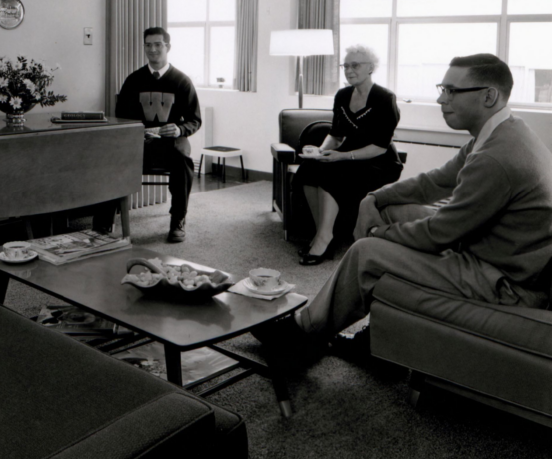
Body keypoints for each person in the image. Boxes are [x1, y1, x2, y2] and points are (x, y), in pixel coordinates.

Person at [256, 53, 552, 368]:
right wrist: (375, 198)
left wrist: (375, 234)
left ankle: (305, 333)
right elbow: (436, 181)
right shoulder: (500, 132)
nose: (441, 98)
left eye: (451, 91)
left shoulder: (497, 157)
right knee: (391, 209)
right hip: (489, 253)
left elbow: (438, 234)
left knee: (366, 252)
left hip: (502, 279)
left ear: (488, 96)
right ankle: (377, 334)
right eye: (442, 88)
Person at [294, 44, 403, 265]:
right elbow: (335, 135)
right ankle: (323, 233)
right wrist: (321, 152)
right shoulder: (342, 95)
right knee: (308, 169)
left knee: (332, 170)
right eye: (346, 65)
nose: (348, 70)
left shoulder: (385, 98)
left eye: (355, 65)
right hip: (348, 155)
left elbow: (380, 147)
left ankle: (324, 238)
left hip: (378, 162)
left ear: (371, 68)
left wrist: (341, 156)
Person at [98, 27, 202, 242]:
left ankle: (178, 221)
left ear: (168, 47)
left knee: (183, 160)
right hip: (139, 143)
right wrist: (138, 132)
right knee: (109, 159)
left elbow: (195, 119)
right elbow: (121, 117)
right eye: (148, 45)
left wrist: (180, 129)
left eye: (158, 45)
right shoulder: (134, 80)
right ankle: (103, 223)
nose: (152, 49)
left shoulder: (182, 81)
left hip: (171, 144)